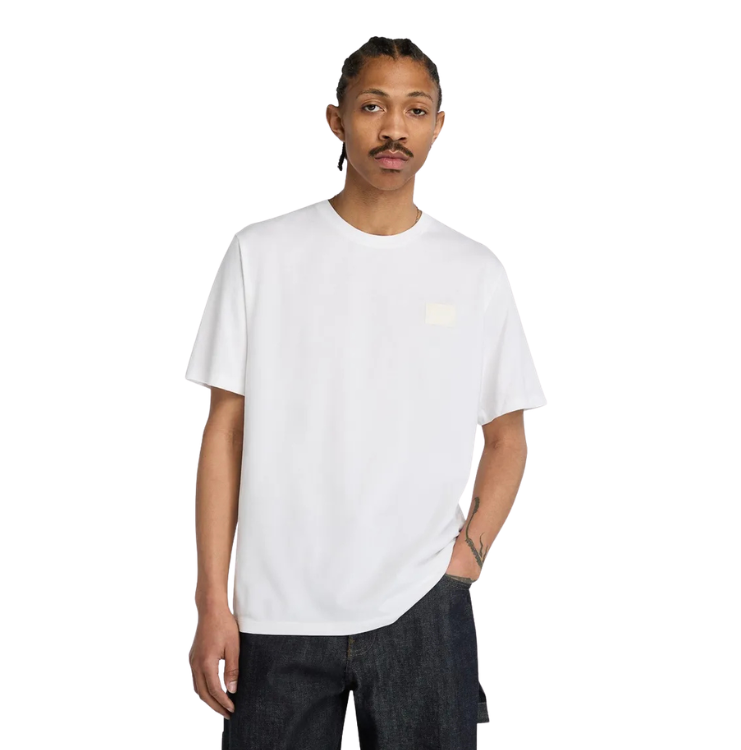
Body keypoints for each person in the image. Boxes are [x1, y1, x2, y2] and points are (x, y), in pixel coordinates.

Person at [185, 36, 547, 750]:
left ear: (438, 126)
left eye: (416, 110)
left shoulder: (473, 271)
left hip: (422, 606)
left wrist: (466, 560)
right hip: (277, 612)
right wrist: (210, 602)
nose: (394, 129)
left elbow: (507, 437)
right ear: (337, 119)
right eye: (373, 106)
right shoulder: (263, 253)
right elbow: (225, 431)